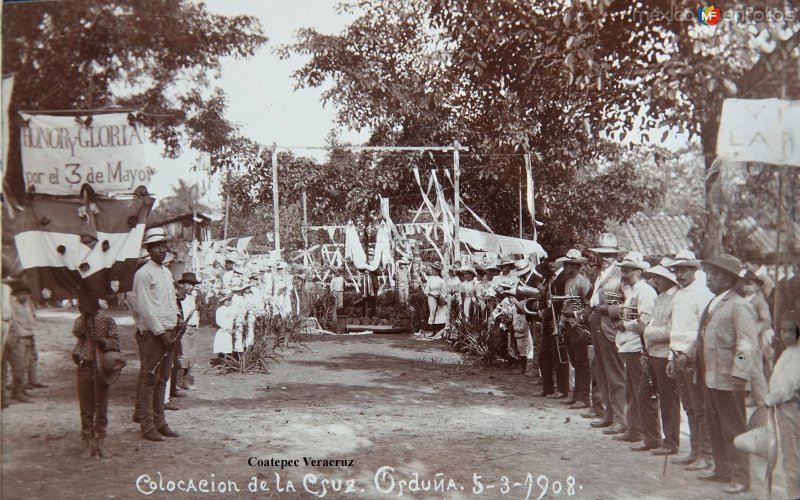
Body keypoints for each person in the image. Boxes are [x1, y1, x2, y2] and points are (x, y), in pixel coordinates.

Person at [692, 253, 757, 495]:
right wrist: (687, 355)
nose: (709, 278)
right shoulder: (713, 304)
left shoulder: (740, 307)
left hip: (729, 380)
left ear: (729, 280)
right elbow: (702, 337)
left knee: (734, 430)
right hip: (711, 377)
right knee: (715, 426)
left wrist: (739, 373)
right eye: (708, 272)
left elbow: (746, 345)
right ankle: (722, 470)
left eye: (715, 274)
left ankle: (741, 476)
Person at [665, 250, 715, 470]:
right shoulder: (679, 294)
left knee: (700, 407)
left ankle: (706, 454)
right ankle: (694, 451)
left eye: (685, 269)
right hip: (678, 355)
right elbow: (676, 329)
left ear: (695, 270)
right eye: (677, 270)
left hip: (693, 358)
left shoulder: (702, 295)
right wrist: (671, 356)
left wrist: (688, 355)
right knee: (689, 407)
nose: (680, 274)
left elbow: (702, 331)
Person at [131, 227, 180, 442]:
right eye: (156, 247)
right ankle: (147, 424)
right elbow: (146, 309)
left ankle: (160, 422)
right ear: (149, 249)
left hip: (169, 332)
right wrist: (161, 334)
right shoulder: (143, 274)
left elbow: (170, 302)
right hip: (153, 335)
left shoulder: (166, 273)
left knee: (163, 379)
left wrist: (177, 322)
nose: (161, 250)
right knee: (149, 378)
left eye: (163, 246)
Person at [608, 252, 658, 451]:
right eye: (623, 269)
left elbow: (644, 322)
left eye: (628, 270)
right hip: (628, 345)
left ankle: (642, 431)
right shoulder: (631, 291)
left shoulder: (645, 292)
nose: (624, 273)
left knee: (640, 390)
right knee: (631, 389)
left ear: (638, 271)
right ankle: (634, 429)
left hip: (638, 346)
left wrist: (624, 325)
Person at [586, 234, 627, 435]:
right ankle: (609, 416)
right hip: (597, 325)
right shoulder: (601, 274)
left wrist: (606, 310)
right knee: (601, 373)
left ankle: (621, 419)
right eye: (601, 254)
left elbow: (629, 306)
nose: (604, 258)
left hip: (610, 327)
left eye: (609, 254)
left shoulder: (621, 275)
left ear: (616, 254)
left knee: (616, 375)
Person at [71, 297, 121, 459]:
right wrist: (86, 318)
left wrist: (101, 340)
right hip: (85, 366)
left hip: (101, 367)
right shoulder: (81, 321)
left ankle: (101, 441)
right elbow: (76, 332)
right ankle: (88, 442)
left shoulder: (107, 321)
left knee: (101, 406)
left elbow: (115, 343)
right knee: (86, 407)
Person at [641, 264, 681, 456]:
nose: (655, 281)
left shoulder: (676, 299)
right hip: (652, 353)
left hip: (665, 354)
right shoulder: (659, 298)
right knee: (645, 394)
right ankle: (651, 437)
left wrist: (648, 332)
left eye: (658, 277)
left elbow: (671, 331)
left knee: (668, 400)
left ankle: (671, 441)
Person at [766, 308, 799, 500]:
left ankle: (794, 494)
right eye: (783, 330)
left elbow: (787, 385)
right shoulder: (788, 351)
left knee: (792, 456)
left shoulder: (797, 354)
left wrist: (769, 399)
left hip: (791, 408)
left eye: (791, 331)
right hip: (785, 408)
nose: (786, 335)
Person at [556, 250, 592, 409]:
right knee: (575, 362)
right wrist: (562, 322)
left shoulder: (582, 282)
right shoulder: (569, 282)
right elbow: (566, 304)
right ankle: (576, 394)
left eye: (567, 264)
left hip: (579, 326)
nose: (564, 267)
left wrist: (576, 315)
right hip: (569, 326)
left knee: (582, 362)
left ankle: (584, 397)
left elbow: (589, 306)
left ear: (575, 265)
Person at [535, 255, 571, 399]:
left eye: (553, 261)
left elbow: (563, 301)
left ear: (561, 261)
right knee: (544, 356)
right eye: (549, 261)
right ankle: (547, 388)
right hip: (549, 321)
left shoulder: (565, 276)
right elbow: (547, 298)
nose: (550, 264)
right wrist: (540, 307)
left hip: (558, 321)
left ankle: (562, 389)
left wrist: (547, 311)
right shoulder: (552, 277)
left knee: (559, 356)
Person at [6, 282, 38, 403]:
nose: (24, 296)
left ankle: (21, 389)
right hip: (19, 337)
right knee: (18, 366)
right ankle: (17, 392)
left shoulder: (28, 305)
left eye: (26, 294)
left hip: (29, 335)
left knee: (25, 364)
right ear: (16, 295)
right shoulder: (12, 305)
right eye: (22, 294)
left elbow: (32, 319)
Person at [177, 272, 200, 391]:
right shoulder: (180, 296)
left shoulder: (192, 297)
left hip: (193, 328)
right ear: (183, 284)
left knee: (192, 356)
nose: (191, 287)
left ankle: (186, 381)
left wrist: (196, 325)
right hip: (184, 329)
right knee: (184, 356)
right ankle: (177, 383)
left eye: (193, 285)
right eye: (189, 284)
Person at [423, 263, 449, 333]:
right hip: (431, 298)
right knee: (433, 312)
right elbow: (426, 291)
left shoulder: (441, 281)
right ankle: (434, 331)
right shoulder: (430, 280)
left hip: (439, 298)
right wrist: (433, 295)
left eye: (434, 270)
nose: (432, 271)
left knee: (440, 312)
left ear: (437, 271)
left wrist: (441, 297)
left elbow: (444, 292)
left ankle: (440, 331)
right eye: (432, 270)